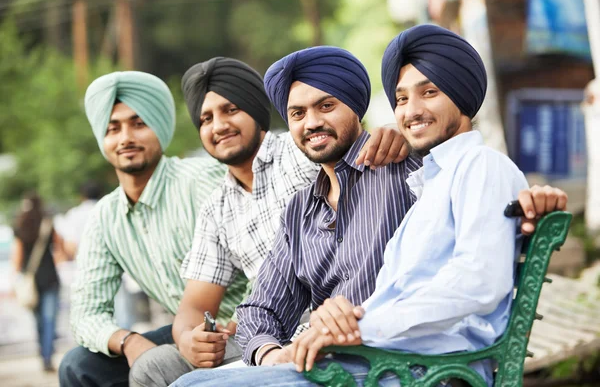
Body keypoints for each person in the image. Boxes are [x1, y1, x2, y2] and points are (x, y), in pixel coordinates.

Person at [171, 40, 567, 387]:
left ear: (357, 108)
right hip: (357, 357)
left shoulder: (407, 172)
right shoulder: (418, 185)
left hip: (410, 366)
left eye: (326, 105)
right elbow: (261, 309)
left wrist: (354, 326)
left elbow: (475, 279)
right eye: (401, 99)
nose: (312, 122)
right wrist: (274, 352)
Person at [130, 57, 409, 387]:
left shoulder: (363, 162)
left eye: (230, 110)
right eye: (298, 114)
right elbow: (244, 308)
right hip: (289, 341)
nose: (219, 126)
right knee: (155, 368)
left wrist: (400, 133)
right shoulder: (287, 207)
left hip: (370, 349)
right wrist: (265, 353)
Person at [58, 71, 248, 387]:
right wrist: (128, 341)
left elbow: (268, 263)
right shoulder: (105, 217)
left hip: (247, 324)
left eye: (138, 124)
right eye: (113, 128)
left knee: (160, 365)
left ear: (160, 129)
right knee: (79, 367)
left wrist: (233, 326)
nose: (125, 138)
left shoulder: (202, 182)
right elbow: (85, 313)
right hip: (185, 333)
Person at [11, 192, 60, 372]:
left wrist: (14, 280)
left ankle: (43, 352)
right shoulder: (47, 223)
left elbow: (17, 257)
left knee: (39, 321)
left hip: (31, 282)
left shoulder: (20, 226)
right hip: (50, 278)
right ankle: (47, 356)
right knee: (49, 321)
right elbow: (60, 248)